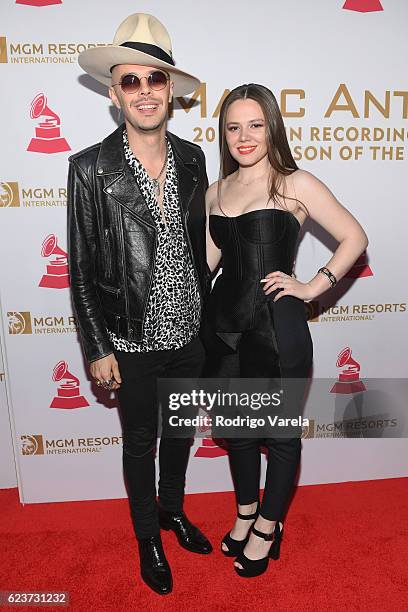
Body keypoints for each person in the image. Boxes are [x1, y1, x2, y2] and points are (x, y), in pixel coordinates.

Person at [67, 13, 212, 596]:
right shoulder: (89, 169)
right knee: (140, 441)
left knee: (180, 434)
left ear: (170, 90)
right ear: (113, 91)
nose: (145, 91)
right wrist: (97, 347)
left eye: (156, 79)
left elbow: (203, 243)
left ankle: (173, 510)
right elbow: (78, 268)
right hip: (130, 341)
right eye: (132, 81)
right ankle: (147, 537)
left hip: (190, 332)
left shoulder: (196, 157)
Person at [203, 83, 368, 578]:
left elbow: (354, 236)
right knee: (235, 433)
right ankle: (246, 513)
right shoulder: (215, 191)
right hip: (224, 330)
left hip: (277, 327)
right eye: (233, 127)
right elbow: (205, 266)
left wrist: (313, 286)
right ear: (223, 134)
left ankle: (269, 526)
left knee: (278, 436)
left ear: (272, 127)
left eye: (255, 124)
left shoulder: (295, 183)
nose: (244, 136)